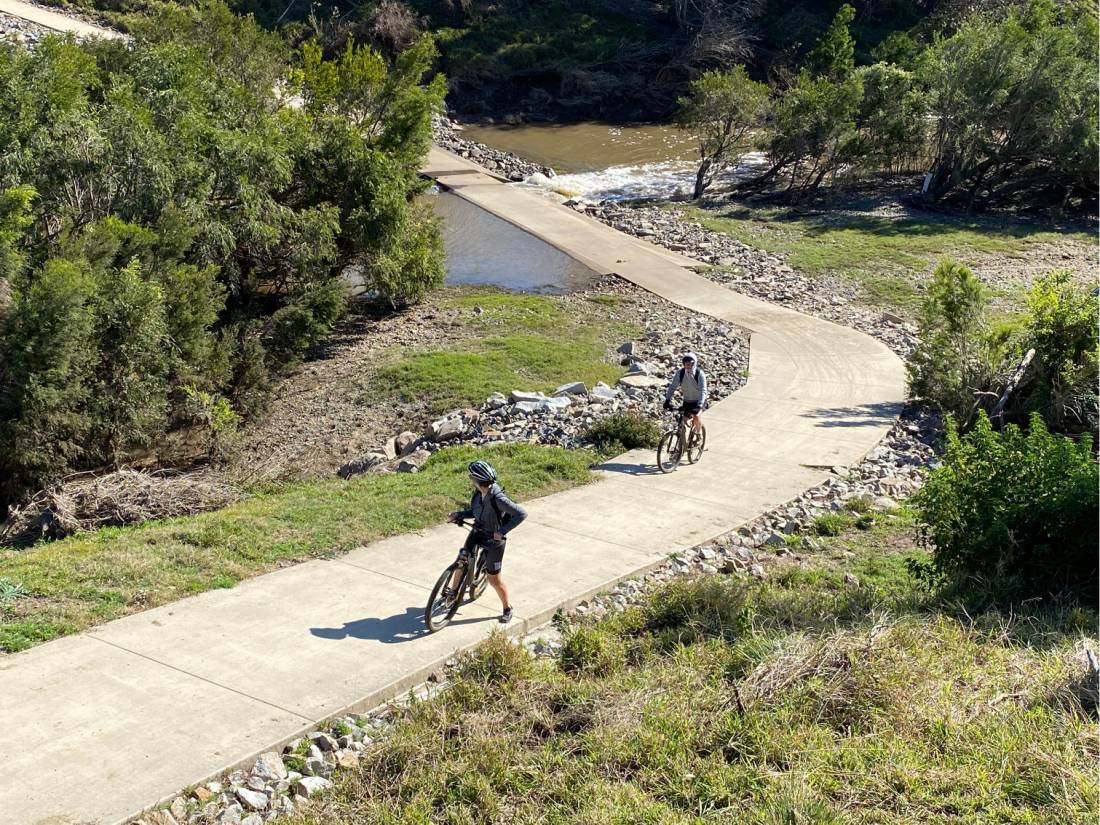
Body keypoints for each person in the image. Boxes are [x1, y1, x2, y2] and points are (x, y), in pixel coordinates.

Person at [447, 460, 527, 623]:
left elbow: (521, 514)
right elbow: (476, 512)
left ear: (477, 480)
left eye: (471, 478)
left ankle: (507, 608)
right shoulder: (478, 493)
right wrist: (459, 515)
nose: (470, 480)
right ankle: (453, 592)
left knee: (493, 579)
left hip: (494, 540)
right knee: (461, 560)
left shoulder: (498, 498)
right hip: (477, 532)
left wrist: (502, 531)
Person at [663, 351, 707, 432]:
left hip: (699, 401)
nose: (688, 365)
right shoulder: (680, 373)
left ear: (694, 363)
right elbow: (672, 387)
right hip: (687, 401)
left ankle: (699, 435)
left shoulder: (700, 374)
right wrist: (667, 400)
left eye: (690, 363)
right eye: (686, 363)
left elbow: (703, 390)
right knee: (683, 422)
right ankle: (683, 443)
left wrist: (699, 405)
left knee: (696, 416)